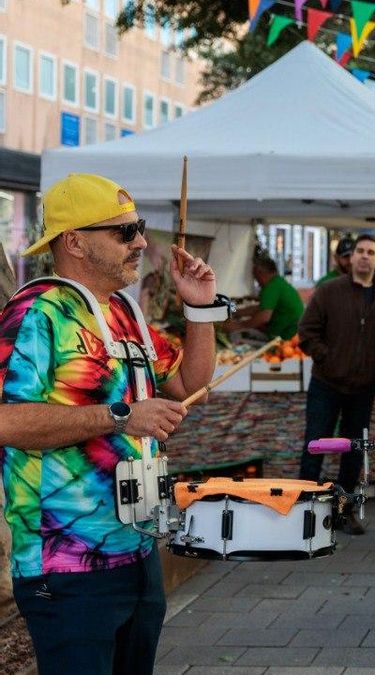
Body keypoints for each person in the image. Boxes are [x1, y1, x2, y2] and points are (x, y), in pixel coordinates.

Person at [1, 173, 219, 674]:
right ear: (74, 241)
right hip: (67, 564)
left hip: (135, 550)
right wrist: (121, 416)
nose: (141, 241)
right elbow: (5, 421)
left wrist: (200, 308)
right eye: (124, 232)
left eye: (138, 227)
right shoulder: (37, 312)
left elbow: (188, 381)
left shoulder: (123, 310)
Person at [297, 234, 375, 533]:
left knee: (353, 450)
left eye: (371, 252)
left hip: (362, 388)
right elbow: (306, 331)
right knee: (316, 444)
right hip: (325, 384)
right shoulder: (329, 292)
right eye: (360, 251)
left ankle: (344, 511)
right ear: (351, 257)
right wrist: (327, 359)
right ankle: (306, 510)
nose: (365, 256)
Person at [227, 257, 304, 341]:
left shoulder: (271, 287)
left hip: (285, 336)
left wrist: (240, 326)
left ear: (260, 273)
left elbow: (264, 316)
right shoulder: (278, 282)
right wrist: (235, 312)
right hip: (294, 331)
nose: (255, 279)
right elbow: (260, 308)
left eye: (255, 275)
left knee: (236, 337)